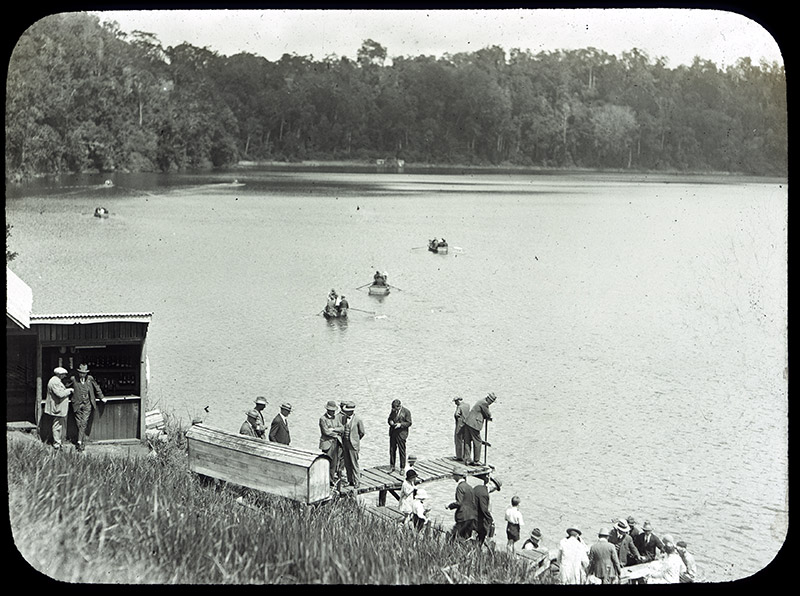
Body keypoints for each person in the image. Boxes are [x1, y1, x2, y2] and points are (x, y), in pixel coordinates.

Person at [66, 363, 105, 452]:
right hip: (77, 404)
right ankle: (81, 442)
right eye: (81, 373)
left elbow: (97, 387)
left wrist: (102, 397)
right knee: (79, 423)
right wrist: (68, 391)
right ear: (78, 372)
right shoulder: (73, 379)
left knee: (83, 422)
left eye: (84, 373)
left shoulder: (90, 379)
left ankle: (79, 442)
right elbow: (66, 386)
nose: (82, 374)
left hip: (88, 404)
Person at [45, 367, 74, 450]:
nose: (64, 376)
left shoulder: (56, 381)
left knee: (58, 425)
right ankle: (57, 443)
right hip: (57, 407)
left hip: (58, 407)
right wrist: (70, 390)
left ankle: (58, 442)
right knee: (57, 426)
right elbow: (60, 394)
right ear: (59, 374)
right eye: (63, 374)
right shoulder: (54, 382)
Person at [463, 392, 496, 465]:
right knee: (478, 442)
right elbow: (487, 414)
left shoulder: (481, 401)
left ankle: (467, 459)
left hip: (468, 422)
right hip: (474, 424)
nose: (491, 403)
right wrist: (489, 416)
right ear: (489, 400)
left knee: (467, 441)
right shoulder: (484, 403)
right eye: (492, 401)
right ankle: (476, 461)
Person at [340, 401, 366, 489]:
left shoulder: (358, 419)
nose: (345, 412)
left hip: (353, 445)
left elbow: (362, 432)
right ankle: (350, 480)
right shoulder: (344, 418)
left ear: (351, 411)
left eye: (347, 410)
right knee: (347, 463)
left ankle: (357, 481)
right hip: (345, 443)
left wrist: (356, 440)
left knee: (354, 464)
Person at [446, 472, 478, 541]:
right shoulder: (470, 487)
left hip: (463, 516)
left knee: (454, 537)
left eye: (454, 475)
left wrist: (449, 506)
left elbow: (459, 503)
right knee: (466, 537)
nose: (453, 477)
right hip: (471, 516)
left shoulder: (460, 487)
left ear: (458, 476)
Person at [319, 400, 344, 487]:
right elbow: (325, 432)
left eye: (334, 410)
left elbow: (342, 428)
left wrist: (333, 429)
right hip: (327, 444)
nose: (333, 412)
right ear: (327, 410)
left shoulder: (336, 418)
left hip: (336, 443)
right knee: (326, 462)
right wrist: (336, 434)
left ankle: (331, 480)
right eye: (331, 410)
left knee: (334, 462)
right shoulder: (323, 419)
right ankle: (325, 480)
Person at [387, 399, 412, 472]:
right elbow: (389, 419)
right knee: (392, 450)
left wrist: (400, 425)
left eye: (395, 408)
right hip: (393, 433)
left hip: (401, 434)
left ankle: (402, 468)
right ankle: (392, 466)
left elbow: (409, 423)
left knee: (402, 451)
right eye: (393, 408)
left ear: (399, 406)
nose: (394, 410)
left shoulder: (406, 412)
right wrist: (390, 422)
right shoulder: (393, 411)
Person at [473, 473, 498, 547]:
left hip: (470, 512)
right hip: (474, 517)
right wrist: (491, 520)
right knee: (483, 531)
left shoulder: (478, 487)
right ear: (493, 487)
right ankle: (478, 547)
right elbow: (484, 510)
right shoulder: (485, 494)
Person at [452, 396, 471, 461]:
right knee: (465, 440)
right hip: (467, 424)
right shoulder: (467, 405)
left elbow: (457, 414)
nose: (455, 403)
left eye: (456, 401)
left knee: (458, 440)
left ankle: (459, 456)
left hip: (460, 425)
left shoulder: (459, 407)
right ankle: (465, 456)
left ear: (458, 400)